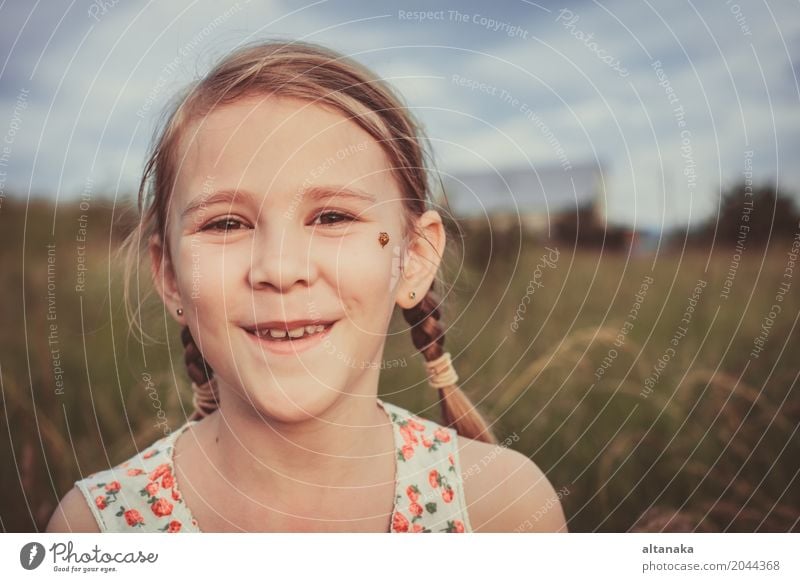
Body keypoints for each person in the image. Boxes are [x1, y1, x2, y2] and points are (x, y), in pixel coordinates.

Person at [46, 40, 567, 533]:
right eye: (226, 224)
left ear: (413, 258)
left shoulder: (505, 510)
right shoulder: (98, 530)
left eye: (333, 216)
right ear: (169, 275)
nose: (279, 267)